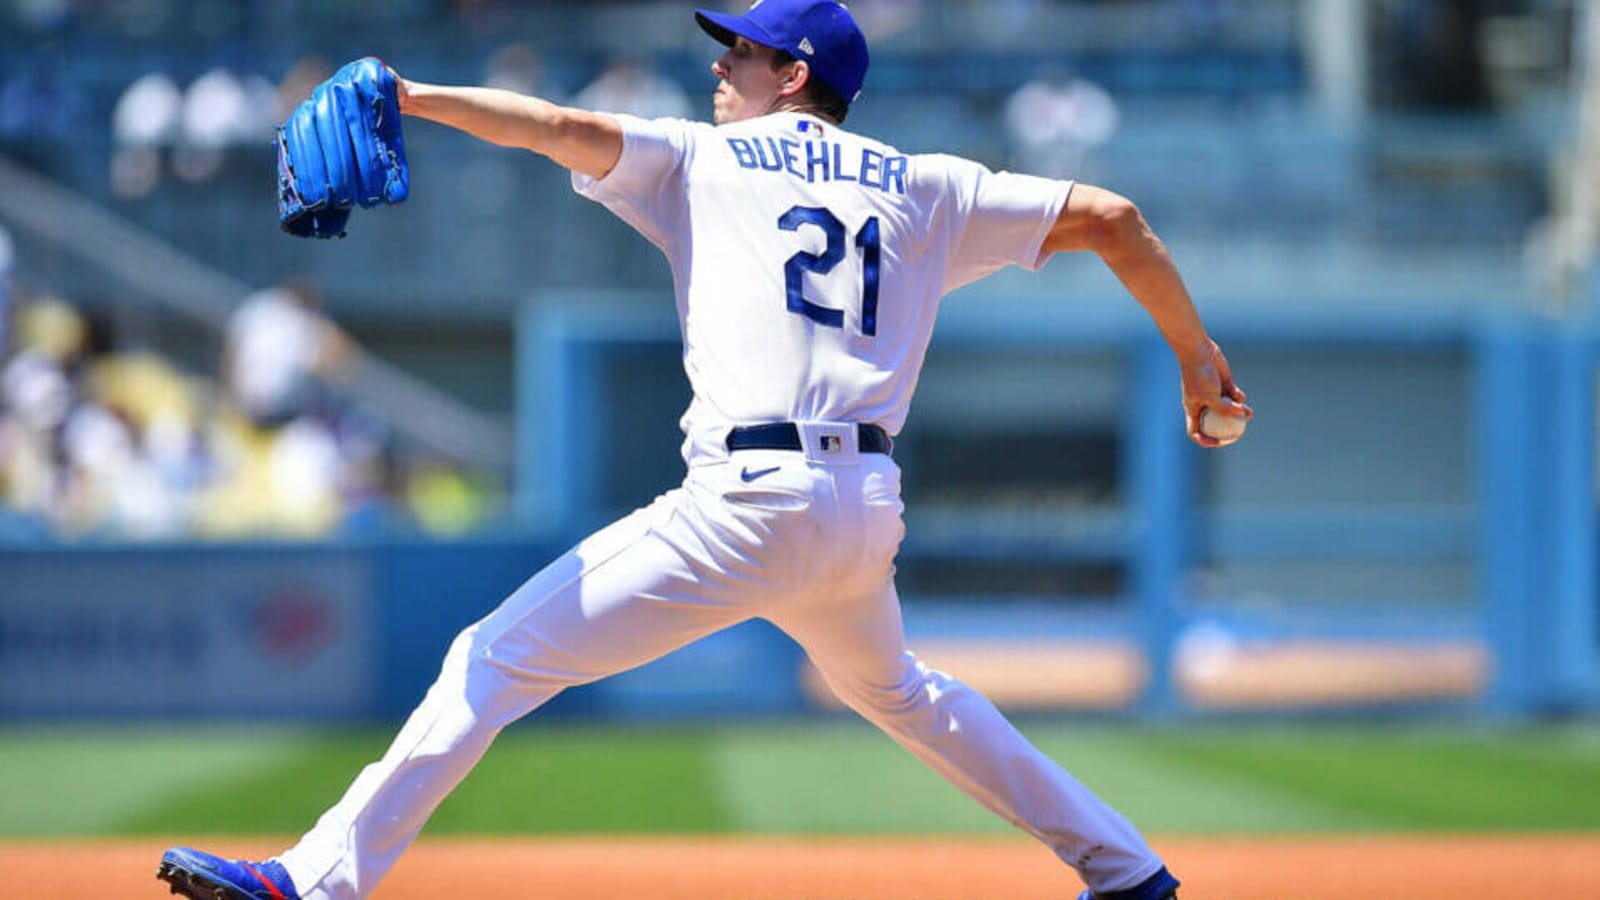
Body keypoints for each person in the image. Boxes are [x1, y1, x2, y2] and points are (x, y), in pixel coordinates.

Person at [157, 2, 1250, 898]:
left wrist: (411, 97)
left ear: (793, 72)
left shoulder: (706, 159)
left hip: (748, 498)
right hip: (860, 507)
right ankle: (1128, 871)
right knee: (902, 696)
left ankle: (312, 884)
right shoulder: (930, 182)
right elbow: (1114, 217)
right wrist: (1198, 363)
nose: (719, 65)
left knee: (487, 660)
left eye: (739, 50)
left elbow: (547, 126)